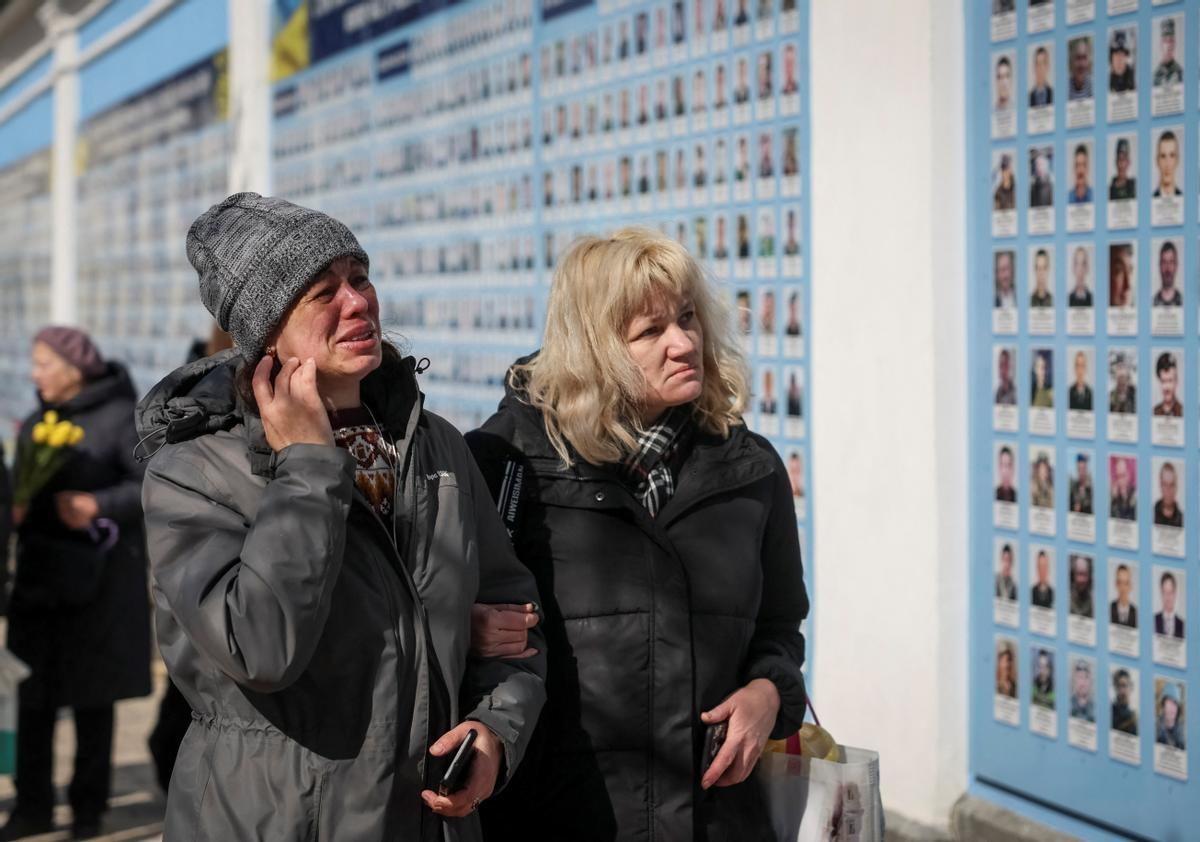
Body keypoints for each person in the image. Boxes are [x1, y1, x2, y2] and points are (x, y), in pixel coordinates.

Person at [135, 193, 547, 840]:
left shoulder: (434, 443)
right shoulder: (195, 474)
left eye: (360, 277)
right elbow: (261, 646)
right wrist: (306, 463)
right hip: (276, 820)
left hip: (424, 818)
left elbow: (515, 618)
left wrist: (497, 729)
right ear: (267, 328)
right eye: (321, 292)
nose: (357, 302)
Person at [465, 228, 808, 841]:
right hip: (560, 820)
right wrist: (466, 629)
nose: (683, 344)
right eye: (650, 332)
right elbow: (430, 628)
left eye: (686, 318)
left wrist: (767, 693)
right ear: (593, 350)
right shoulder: (503, 465)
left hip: (717, 819)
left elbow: (780, 626)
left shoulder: (751, 470)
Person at [1, 327, 152, 840]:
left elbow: (148, 487)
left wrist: (96, 505)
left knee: (93, 699)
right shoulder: (38, 423)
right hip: (39, 584)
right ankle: (32, 805)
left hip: (98, 588)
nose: (35, 374)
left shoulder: (118, 419)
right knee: (32, 699)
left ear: (74, 370)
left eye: (44, 364)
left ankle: (89, 809)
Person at [1155, 572, 1185, 638]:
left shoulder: (1183, 625)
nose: (1167, 597)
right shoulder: (1153, 620)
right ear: (1161, 594)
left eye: (1170, 592)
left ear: (1175, 594)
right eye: (1165, 592)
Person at [1154, 18, 1183, 86]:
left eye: (1171, 40)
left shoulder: (1180, 73)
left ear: (1175, 43)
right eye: (1165, 41)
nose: (1169, 45)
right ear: (1161, 44)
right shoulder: (1155, 75)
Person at [1153, 131, 1182, 198]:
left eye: (1172, 155)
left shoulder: (1185, 199)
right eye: (1163, 156)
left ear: (1177, 160)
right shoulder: (1150, 200)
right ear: (1157, 161)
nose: (1167, 164)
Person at [1157, 683, 1186, 749]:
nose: (1172, 708)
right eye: (1169, 703)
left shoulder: (1183, 732)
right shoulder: (1155, 727)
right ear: (1163, 706)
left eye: (1175, 703)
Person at [1153, 242, 1182, 307]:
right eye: (1164, 262)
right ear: (1159, 266)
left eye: (1171, 262)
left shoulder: (1182, 301)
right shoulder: (1153, 302)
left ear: (1176, 266)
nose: (1167, 268)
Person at [1154, 352, 1182, 416]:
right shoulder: (1154, 412)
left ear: (1176, 381)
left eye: (1170, 381)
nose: (1167, 387)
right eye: (1163, 381)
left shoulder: (1183, 411)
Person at [1111, 563, 1137, 628]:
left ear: (1130, 586)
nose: (1123, 588)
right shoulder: (1109, 608)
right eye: (1120, 583)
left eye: (1126, 583)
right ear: (1116, 584)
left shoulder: (1136, 612)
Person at [1112, 670, 1138, 735]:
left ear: (1131, 687)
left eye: (1124, 685)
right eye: (1119, 686)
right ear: (1115, 688)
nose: (1122, 690)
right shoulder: (1111, 711)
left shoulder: (1133, 716)